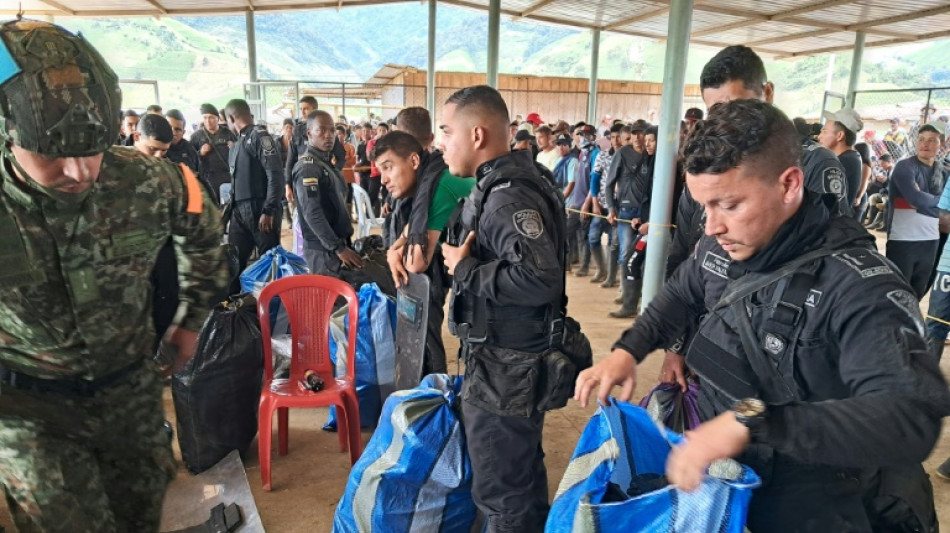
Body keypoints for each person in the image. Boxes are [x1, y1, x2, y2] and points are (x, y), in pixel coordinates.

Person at [575, 99, 949, 533]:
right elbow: (681, 292)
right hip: (725, 489)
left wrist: (752, 422)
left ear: (789, 184)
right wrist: (628, 350)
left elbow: (909, 417)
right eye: (704, 207)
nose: (711, 226)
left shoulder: (859, 288)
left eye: (728, 205)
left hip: (813, 504)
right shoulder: (724, 242)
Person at [0, 20, 227, 533]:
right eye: (55, 153)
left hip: (131, 398)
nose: (81, 171)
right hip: (31, 414)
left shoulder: (150, 178)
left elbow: (205, 229)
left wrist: (191, 319)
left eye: (94, 148)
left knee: (140, 518)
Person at [440, 85, 566, 531]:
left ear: (477, 135)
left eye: (446, 131)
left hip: (506, 366)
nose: (441, 143)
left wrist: (466, 270)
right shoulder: (508, 183)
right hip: (509, 362)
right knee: (519, 473)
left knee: (500, 491)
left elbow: (540, 277)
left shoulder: (507, 195)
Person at [379, 109, 476, 374]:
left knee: (426, 338)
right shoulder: (432, 173)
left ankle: (432, 397)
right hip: (468, 273)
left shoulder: (439, 183)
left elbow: (417, 262)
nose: (384, 179)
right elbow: (417, 223)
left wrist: (400, 253)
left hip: (479, 280)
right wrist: (394, 250)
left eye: (389, 167)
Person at [290, 111, 361, 277]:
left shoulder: (325, 163)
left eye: (332, 131)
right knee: (333, 300)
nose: (328, 136)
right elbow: (312, 213)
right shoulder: (308, 167)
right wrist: (338, 248)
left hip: (335, 245)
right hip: (324, 251)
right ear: (309, 134)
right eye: (321, 131)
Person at [224, 98, 285, 278]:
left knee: (270, 263)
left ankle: (272, 303)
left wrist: (269, 210)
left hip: (261, 209)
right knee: (234, 260)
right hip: (239, 211)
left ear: (231, 118)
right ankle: (235, 303)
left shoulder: (260, 136)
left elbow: (275, 175)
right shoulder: (237, 143)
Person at [885, 122, 945, 299]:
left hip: (931, 240)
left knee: (917, 294)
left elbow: (922, 202)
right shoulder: (905, 167)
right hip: (903, 240)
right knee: (897, 294)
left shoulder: (943, 172)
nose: (925, 144)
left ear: (940, 144)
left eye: (932, 140)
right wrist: (937, 204)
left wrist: (926, 202)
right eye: (921, 139)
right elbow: (915, 199)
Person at [191, 102, 236, 205]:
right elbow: (190, 159)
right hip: (207, 178)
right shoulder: (196, 136)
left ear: (218, 118)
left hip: (227, 176)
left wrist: (234, 148)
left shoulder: (229, 133)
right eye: (205, 117)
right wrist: (200, 153)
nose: (208, 121)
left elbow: (240, 155)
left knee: (229, 207)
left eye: (211, 117)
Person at [818, 108, 863, 211]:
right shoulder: (852, 157)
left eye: (824, 131)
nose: (819, 137)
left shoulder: (844, 161)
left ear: (839, 136)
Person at [164, 109, 200, 176]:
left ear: (183, 132)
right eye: (169, 127)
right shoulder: (156, 149)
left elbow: (199, 173)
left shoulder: (189, 149)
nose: (173, 132)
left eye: (177, 130)